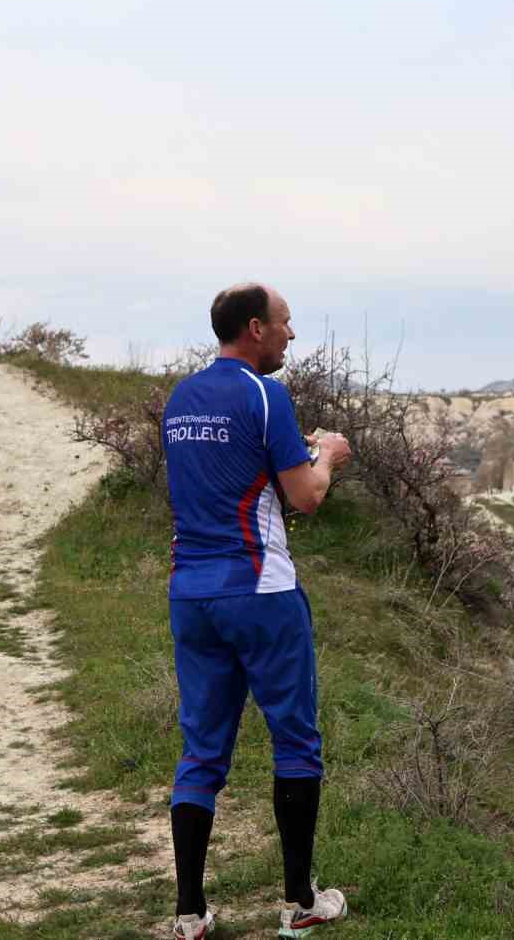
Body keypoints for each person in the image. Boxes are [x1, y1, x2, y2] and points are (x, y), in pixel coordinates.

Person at [161, 283, 353, 940]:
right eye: (285, 323)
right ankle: (300, 901)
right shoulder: (265, 395)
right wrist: (326, 454)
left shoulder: (180, 400)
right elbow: (305, 498)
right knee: (295, 740)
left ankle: (190, 915)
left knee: (202, 752)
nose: (291, 335)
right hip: (261, 592)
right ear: (255, 330)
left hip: (192, 592)